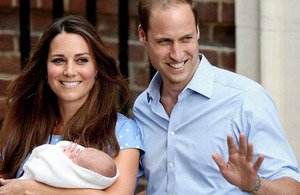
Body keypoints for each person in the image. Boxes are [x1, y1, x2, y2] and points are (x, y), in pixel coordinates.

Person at [133, 0, 300, 194]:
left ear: (197, 31)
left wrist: (254, 185)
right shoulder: (143, 108)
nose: (177, 54)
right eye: (165, 41)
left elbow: (293, 189)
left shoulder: (246, 99)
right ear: (143, 36)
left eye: (186, 38)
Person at [0, 15, 144, 194]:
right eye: (58, 60)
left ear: (97, 68)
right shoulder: (23, 128)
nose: (69, 71)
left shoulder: (121, 131)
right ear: (45, 68)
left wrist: (32, 189)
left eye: (81, 60)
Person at [19, 141, 119, 189]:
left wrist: (60, 157)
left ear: (84, 172)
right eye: (80, 152)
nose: (74, 153)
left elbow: (48, 170)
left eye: (77, 157)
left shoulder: (76, 180)